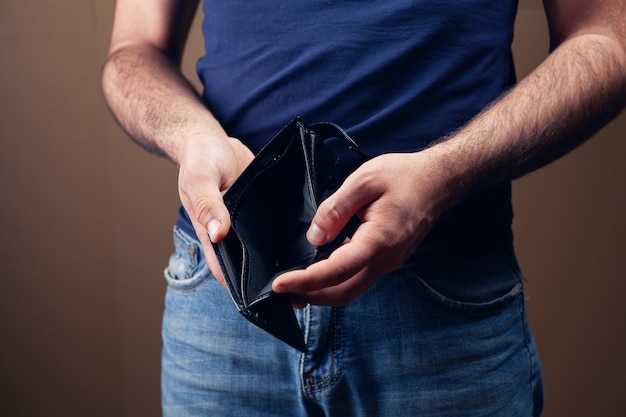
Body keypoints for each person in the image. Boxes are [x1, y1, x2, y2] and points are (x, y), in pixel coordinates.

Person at [102, 1, 626, 416]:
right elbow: (133, 50)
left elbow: (607, 39)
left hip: (443, 311)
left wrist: (446, 171)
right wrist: (193, 137)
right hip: (226, 301)